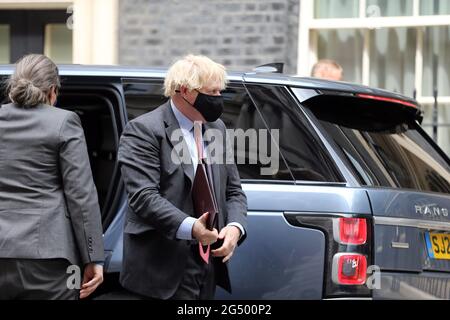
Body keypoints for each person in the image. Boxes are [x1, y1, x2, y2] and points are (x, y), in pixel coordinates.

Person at [118, 54, 248, 300]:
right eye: (213, 93)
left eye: (221, 92)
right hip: (161, 267)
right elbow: (143, 197)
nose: (219, 99)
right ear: (186, 91)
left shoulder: (216, 127)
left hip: (207, 265)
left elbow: (233, 191)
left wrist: (235, 227)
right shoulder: (145, 130)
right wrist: (192, 228)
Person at [0, 54, 104, 300]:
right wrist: (93, 258)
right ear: (52, 91)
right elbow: (81, 195)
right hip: (49, 258)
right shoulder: (64, 121)